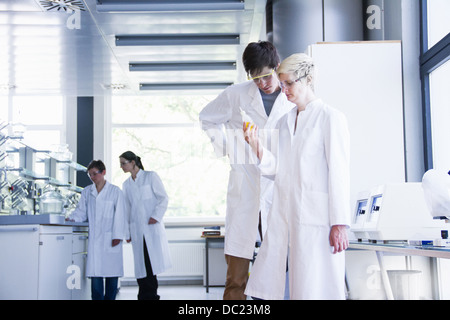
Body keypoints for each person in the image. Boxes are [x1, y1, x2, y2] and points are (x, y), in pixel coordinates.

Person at [244, 53, 351, 300]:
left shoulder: (330, 118)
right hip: (287, 216)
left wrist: (339, 223)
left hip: (318, 220)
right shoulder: (284, 122)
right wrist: (256, 145)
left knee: (317, 287)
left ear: (308, 79)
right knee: (294, 288)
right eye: (281, 85)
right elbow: (277, 172)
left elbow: (339, 173)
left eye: (289, 83)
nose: (284, 90)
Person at [199, 41, 294, 300]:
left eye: (265, 76)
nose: (261, 83)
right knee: (236, 274)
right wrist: (228, 146)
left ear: (276, 67)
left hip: (276, 188)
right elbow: (206, 117)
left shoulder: (290, 99)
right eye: (255, 78)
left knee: (277, 266)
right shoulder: (235, 94)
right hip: (245, 184)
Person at [66, 160, 127, 300]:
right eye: (90, 175)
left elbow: (120, 214)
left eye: (95, 173)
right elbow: (81, 211)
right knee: (96, 275)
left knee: (112, 274)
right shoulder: (87, 192)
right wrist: (72, 218)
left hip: (111, 237)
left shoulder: (115, 191)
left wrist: (118, 235)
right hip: (95, 240)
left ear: (103, 172)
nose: (93, 177)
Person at [120, 151, 172, 300]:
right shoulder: (126, 185)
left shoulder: (150, 177)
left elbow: (163, 198)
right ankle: (144, 294)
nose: (121, 166)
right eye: (121, 164)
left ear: (133, 162)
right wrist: (127, 233)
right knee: (140, 264)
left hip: (151, 228)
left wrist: (155, 216)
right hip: (137, 230)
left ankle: (150, 294)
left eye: (124, 163)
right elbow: (127, 210)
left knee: (150, 263)